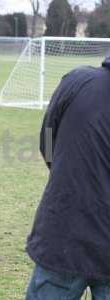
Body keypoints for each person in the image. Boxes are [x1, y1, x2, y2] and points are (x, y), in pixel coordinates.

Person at [25, 57, 110, 299]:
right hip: (65, 237)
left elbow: (48, 143)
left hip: (64, 230)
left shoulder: (77, 81)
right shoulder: (78, 81)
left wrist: (69, 176)